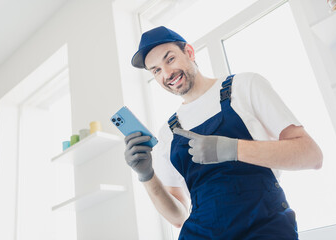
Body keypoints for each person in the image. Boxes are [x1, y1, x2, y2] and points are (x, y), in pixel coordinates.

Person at [124, 26, 323, 239]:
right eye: (156, 70)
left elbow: (311, 155)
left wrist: (233, 149)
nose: (167, 74)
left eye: (170, 59)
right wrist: (146, 175)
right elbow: (178, 216)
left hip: (264, 229)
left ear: (189, 52)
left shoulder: (245, 86)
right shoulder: (167, 133)